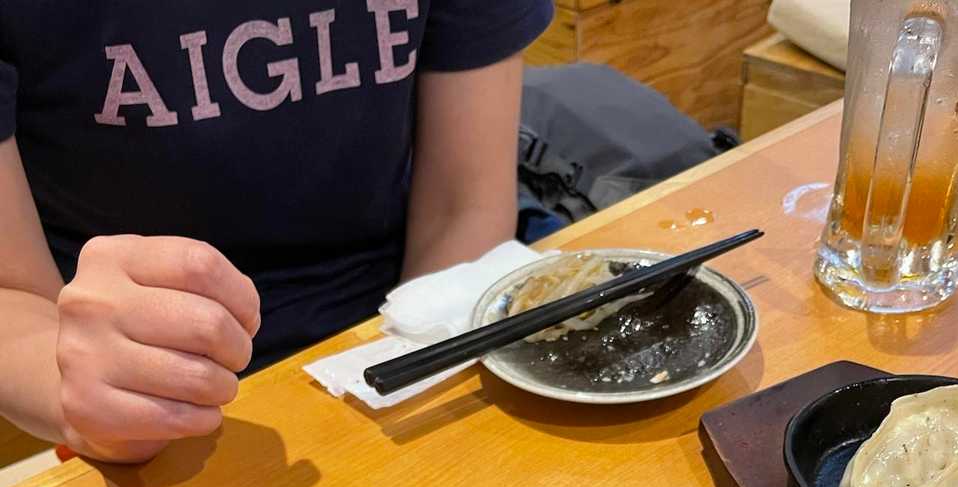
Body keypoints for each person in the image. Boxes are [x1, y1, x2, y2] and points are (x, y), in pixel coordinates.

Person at [0, 1, 551, 463]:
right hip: (142, 392)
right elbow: (12, 294)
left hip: (394, 344)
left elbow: (464, 206)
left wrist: (404, 373)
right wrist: (85, 396)